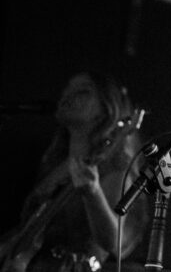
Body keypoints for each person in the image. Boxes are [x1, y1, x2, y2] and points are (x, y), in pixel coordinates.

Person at [0, 72, 149, 271]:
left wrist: (93, 192)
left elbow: (117, 244)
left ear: (106, 110)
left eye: (83, 91)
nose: (66, 95)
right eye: (67, 89)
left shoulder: (115, 167)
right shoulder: (54, 165)